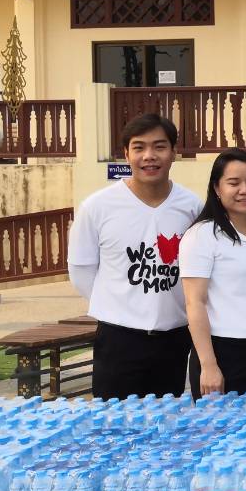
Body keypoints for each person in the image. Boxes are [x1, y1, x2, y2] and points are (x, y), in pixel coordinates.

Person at [68, 112, 203, 399]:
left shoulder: (192, 207)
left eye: (159, 146)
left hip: (174, 338)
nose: (149, 156)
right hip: (118, 339)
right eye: (139, 147)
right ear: (126, 153)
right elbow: (81, 270)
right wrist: (119, 305)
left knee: (168, 419)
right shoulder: (97, 207)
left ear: (174, 152)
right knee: (114, 420)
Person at [180, 149, 246, 397]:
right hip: (223, 353)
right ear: (217, 188)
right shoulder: (202, 235)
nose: (245, 190)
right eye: (234, 183)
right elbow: (194, 302)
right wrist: (208, 365)